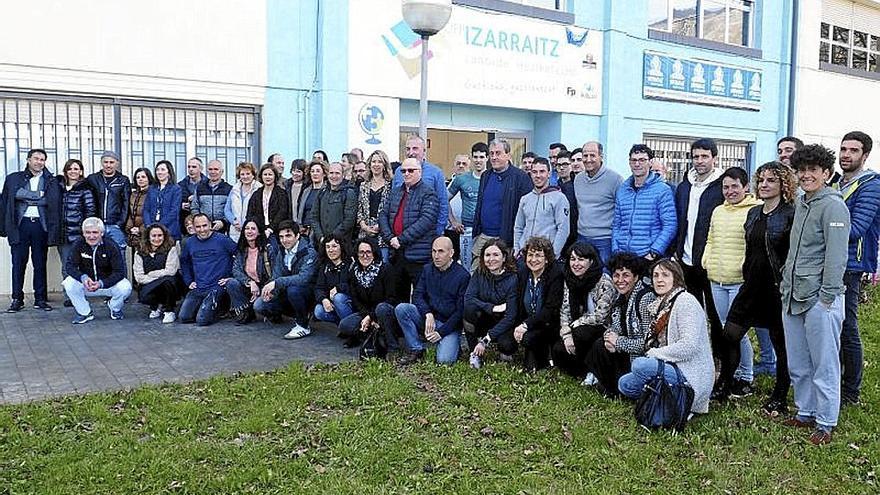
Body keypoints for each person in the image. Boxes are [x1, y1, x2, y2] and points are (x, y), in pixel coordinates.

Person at [780, 144, 850, 445]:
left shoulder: (833, 206)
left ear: (826, 173)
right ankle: (805, 411)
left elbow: (837, 258)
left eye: (813, 170)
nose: (807, 175)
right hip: (793, 295)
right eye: (802, 170)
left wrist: (827, 298)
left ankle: (825, 421)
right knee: (798, 361)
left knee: (824, 362)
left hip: (821, 299)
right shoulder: (802, 203)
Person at [723, 161, 797, 416]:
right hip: (751, 285)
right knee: (730, 333)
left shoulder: (791, 213)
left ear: (783, 184)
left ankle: (780, 395)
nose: (764, 185)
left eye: (771, 181)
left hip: (776, 289)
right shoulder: (754, 213)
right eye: (762, 180)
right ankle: (725, 383)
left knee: (781, 344)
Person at [617, 259, 715, 416]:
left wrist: (656, 354)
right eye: (655, 275)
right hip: (671, 366)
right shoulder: (661, 305)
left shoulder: (685, 301)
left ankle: (680, 400)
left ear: (676, 278)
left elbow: (688, 346)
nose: (659, 280)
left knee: (639, 365)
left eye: (665, 275)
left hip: (690, 374)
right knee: (625, 384)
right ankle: (664, 397)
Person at [701, 167, 761, 399]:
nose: (730, 191)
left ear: (745, 187)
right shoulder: (718, 211)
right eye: (726, 187)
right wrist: (707, 260)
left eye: (735, 186)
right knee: (725, 328)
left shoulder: (754, 210)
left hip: (738, 280)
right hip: (717, 278)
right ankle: (731, 372)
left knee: (738, 331)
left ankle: (746, 375)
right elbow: (710, 238)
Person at [673, 138, 725, 379]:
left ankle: (720, 361)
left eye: (705, 156)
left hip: (711, 262)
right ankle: (695, 357)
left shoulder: (721, 186)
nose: (700, 161)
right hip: (686, 259)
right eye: (696, 156)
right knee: (692, 313)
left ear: (715, 158)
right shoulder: (685, 186)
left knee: (716, 316)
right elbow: (679, 221)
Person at [834, 131, 879, 406]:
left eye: (853, 150)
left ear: (865, 155)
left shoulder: (871, 185)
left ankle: (851, 390)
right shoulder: (838, 182)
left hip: (852, 262)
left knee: (847, 325)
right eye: (843, 149)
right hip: (833, 260)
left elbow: (857, 227)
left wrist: (821, 228)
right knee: (835, 324)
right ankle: (837, 378)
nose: (846, 155)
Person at [582, 253, 655, 396]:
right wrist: (609, 337)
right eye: (616, 275)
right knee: (599, 344)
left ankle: (622, 389)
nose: (620, 280)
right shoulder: (621, 298)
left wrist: (619, 342)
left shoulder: (644, 298)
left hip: (642, 360)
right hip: (626, 352)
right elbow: (615, 326)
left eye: (626, 275)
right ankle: (611, 386)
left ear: (636, 277)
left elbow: (648, 343)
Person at [0, 148, 62, 312]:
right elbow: (7, 200)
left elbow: (51, 201)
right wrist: (37, 196)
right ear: (28, 160)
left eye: (42, 159)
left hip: (40, 226)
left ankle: (40, 299)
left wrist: (25, 196)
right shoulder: (14, 178)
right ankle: (17, 299)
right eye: (36, 158)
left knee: (40, 264)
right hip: (20, 225)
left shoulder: (51, 180)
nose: (39, 162)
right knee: (18, 264)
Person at [394, 236, 471, 365]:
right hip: (429, 319)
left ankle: (450, 346)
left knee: (444, 361)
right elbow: (417, 295)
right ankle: (416, 349)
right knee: (402, 309)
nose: (436, 256)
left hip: (449, 324)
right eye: (434, 251)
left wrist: (440, 333)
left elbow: (460, 312)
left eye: (441, 251)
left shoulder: (463, 276)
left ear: (451, 253)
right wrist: (427, 313)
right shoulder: (427, 269)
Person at [550, 242, 617, 380]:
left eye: (581, 259)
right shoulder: (570, 279)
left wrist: (576, 323)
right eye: (573, 259)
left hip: (602, 327)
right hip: (577, 326)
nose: (576, 264)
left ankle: (593, 370)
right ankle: (581, 371)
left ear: (591, 261)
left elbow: (601, 316)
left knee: (581, 334)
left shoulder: (604, 281)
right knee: (558, 348)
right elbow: (565, 309)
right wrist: (566, 332)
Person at [379, 158, 439, 302]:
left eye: (411, 170)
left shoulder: (428, 193)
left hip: (418, 255)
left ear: (420, 172)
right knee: (398, 297)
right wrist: (390, 238)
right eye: (403, 171)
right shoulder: (395, 192)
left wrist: (401, 239)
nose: (406, 173)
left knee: (421, 298)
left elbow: (426, 221)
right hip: (397, 253)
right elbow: (383, 215)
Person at [471, 139, 532, 270]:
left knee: (503, 277)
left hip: (506, 240)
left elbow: (527, 213)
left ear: (508, 155)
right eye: (491, 153)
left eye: (498, 153)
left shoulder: (520, 177)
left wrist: (518, 242)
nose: (493, 157)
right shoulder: (486, 175)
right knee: (475, 274)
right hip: (483, 237)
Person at [254, 220, 318, 339]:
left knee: (293, 290)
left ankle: (303, 325)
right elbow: (276, 275)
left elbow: (303, 278)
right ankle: (289, 315)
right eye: (281, 237)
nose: (284, 240)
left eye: (288, 235)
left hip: (308, 295)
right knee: (260, 305)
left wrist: (276, 283)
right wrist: (272, 292)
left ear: (297, 236)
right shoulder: (282, 252)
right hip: (288, 293)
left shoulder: (309, 252)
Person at [62, 217, 132, 323]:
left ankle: (115, 308)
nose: (91, 236)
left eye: (95, 232)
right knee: (68, 283)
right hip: (87, 284)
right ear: (83, 233)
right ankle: (85, 313)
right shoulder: (78, 244)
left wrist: (101, 283)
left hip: (107, 284)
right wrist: (83, 278)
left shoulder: (111, 245)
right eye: (88, 232)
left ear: (102, 233)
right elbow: (70, 266)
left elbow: (119, 272)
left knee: (125, 287)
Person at [612, 145, 677, 258]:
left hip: (647, 255)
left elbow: (669, 225)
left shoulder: (662, 190)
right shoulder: (623, 190)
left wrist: (654, 251)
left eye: (642, 160)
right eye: (634, 160)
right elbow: (617, 224)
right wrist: (615, 248)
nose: (637, 164)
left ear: (650, 162)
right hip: (624, 255)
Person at [464, 238, 519, 369]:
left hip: (504, 322)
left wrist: (486, 340)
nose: (491, 259)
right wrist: (492, 308)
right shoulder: (479, 273)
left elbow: (511, 317)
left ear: (504, 257)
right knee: (468, 311)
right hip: (486, 317)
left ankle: (503, 352)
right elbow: (468, 298)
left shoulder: (513, 279)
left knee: (506, 345)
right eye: (487, 255)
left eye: (496, 255)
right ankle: (474, 353)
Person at [512, 236, 563, 371]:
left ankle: (546, 353)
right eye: (530, 255)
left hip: (548, 324)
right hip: (528, 321)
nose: (533, 260)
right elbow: (519, 302)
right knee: (508, 342)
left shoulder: (555, 275)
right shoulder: (523, 272)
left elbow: (550, 309)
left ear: (547, 259)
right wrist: (518, 324)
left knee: (528, 338)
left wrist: (525, 325)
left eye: (538, 255)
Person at [337, 237, 398, 350]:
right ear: (357, 254)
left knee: (382, 308)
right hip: (366, 314)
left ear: (374, 253)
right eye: (361, 252)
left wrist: (371, 316)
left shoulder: (385, 269)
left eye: (368, 252)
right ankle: (372, 333)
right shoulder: (354, 272)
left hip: (384, 313)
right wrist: (367, 316)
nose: (365, 255)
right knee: (344, 325)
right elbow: (356, 300)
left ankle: (392, 347)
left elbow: (391, 298)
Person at [178, 213, 238, 326]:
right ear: (194, 228)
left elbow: (240, 255)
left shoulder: (223, 240)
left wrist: (232, 277)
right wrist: (189, 281)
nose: (202, 229)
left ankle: (220, 308)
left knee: (202, 320)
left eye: (205, 225)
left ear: (210, 224)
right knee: (183, 317)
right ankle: (204, 306)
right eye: (198, 227)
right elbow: (184, 262)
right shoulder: (189, 242)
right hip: (198, 287)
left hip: (216, 287)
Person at [573, 141, 623, 265]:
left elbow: (622, 211)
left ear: (601, 157)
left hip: (605, 240)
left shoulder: (615, 179)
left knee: (604, 276)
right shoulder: (578, 179)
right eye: (585, 156)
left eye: (592, 155)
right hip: (582, 237)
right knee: (582, 276)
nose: (588, 159)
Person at [57, 158, 97, 307]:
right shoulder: (59, 187)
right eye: (70, 169)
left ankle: (82, 293)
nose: (73, 171)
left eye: (76, 169)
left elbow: (90, 212)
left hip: (79, 235)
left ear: (81, 171)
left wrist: (86, 233)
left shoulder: (85, 189)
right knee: (66, 266)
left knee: (82, 265)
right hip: (62, 234)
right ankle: (69, 295)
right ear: (65, 171)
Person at [513, 157, 569, 258]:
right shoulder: (525, 199)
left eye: (542, 171)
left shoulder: (559, 198)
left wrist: (553, 254)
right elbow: (518, 227)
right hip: (525, 255)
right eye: (534, 172)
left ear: (549, 174)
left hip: (546, 256)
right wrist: (517, 248)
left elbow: (563, 229)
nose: (538, 175)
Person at [392, 134, 449, 235]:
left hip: (427, 233)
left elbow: (443, 203)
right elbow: (393, 202)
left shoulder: (436, 173)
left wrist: (439, 230)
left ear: (424, 151)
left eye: (415, 149)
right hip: (400, 234)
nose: (411, 152)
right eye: (408, 149)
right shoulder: (398, 172)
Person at [226, 219, 278, 325]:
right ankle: (247, 313)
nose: (249, 231)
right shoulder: (242, 249)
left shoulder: (268, 250)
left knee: (258, 306)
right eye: (247, 228)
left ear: (259, 232)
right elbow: (236, 270)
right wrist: (250, 282)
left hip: (266, 287)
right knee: (231, 283)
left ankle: (273, 314)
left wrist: (264, 289)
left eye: (253, 229)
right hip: (250, 286)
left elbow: (275, 274)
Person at [447, 142, 486, 271]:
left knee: (485, 266)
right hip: (467, 230)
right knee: (467, 267)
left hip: (487, 230)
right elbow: (444, 200)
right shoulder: (461, 179)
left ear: (487, 158)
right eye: (475, 157)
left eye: (481, 157)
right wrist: (453, 222)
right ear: (472, 158)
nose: (478, 160)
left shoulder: (493, 177)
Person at [133, 223, 180, 324]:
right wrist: (158, 277)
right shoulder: (139, 252)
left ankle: (169, 310)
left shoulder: (171, 249)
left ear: (164, 236)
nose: (157, 239)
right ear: (148, 237)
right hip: (149, 285)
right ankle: (156, 306)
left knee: (168, 281)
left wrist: (151, 274)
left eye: (160, 235)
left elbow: (171, 271)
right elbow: (139, 277)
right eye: (153, 236)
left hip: (168, 284)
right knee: (145, 295)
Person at [87, 150, 131, 254]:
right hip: (97, 226)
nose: (108, 165)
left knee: (119, 256)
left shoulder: (123, 180)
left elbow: (126, 203)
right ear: (102, 163)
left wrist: (120, 223)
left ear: (117, 163)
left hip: (116, 226)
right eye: (106, 162)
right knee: (97, 257)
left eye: (111, 162)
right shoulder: (93, 179)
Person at [357, 150, 392, 261]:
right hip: (365, 234)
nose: (376, 165)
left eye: (379, 162)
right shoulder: (363, 185)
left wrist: (380, 225)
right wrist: (364, 226)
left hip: (383, 235)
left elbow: (392, 210)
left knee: (383, 267)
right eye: (373, 162)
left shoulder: (391, 185)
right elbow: (359, 209)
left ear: (384, 165)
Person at [310, 162, 357, 245]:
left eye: (337, 173)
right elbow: (314, 217)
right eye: (331, 173)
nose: (334, 176)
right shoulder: (322, 192)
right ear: (327, 175)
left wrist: (332, 238)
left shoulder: (349, 193)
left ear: (343, 175)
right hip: (321, 242)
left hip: (341, 243)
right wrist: (320, 237)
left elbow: (349, 220)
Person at [313, 234, 354, 324]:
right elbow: (319, 288)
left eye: (334, 246)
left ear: (341, 247)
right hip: (334, 303)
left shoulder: (351, 264)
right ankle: (342, 325)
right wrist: (323, 299)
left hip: (351, 302)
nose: (330, 250)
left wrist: (339, 288)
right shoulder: (325, 266)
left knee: (338, 297)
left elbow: (355, 286)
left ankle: (351, 328)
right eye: (327, 247)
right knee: (318, 311)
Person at [246, 163, 290, 238]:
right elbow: (250, 214)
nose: (267, 177)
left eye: (270, 174)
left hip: (277, 231)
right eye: (265, 174)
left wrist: (271, 229)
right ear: (261, 176)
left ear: (275, 176)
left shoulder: (281, 193)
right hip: (259, 232)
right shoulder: (256, 194)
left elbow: (283, 212)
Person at [142, 160, 183, 241]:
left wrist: (159, 226)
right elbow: (146, 209)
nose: (159, 172)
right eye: (157, 170)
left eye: (162, 169)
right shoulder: (151, 188)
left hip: (169, 230)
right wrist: (149, 225)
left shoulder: (176, 189)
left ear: (169, 172)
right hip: (152, 230)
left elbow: (174, 211)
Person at [192, 160, 232, 233]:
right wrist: (201, 222)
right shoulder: (200, 188)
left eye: (216, 169)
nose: (213, 172)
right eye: (210, 169)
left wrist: (223, 222)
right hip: (203, 230)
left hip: (223, 230)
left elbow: (232, 210)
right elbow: (194, 207)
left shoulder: (229, 189)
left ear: (222, 171)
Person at [225, 162, 261, 243]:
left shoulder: (259, 188)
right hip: (235, 231)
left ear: (253, 174)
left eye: (248, 173)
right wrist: (233, 221)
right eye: (242, 174)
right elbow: (227, 209)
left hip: (252, 231)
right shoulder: (234, 189)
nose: (245, 177)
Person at [126, 167, 154, 249]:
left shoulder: (153, 194)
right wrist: (130, 228)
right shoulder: (133, 194)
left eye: (143, 177)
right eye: (138, 177)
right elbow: (131, 213)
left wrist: (140, 229)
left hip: (146, 232)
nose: (140, 179)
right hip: (133, 234)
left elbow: (151, 214)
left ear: (149, 178)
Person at [299, 160, 327, 238]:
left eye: (318, 171)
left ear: (324, 174)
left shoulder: (327, 190)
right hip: (305, 230)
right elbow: (302, 210)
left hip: (319, 230)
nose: (315, 173)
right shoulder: (306, 191)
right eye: (312, 171)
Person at [178, 157, 206, 235]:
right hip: (185, 224)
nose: (191, 169)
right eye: (189, 167)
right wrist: (180, 205)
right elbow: (173, 202)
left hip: (202, 223)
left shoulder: (207, 184)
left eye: (194, 167)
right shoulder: (180, 185)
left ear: (201, 169)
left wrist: (196, 198)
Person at [284, 159, 308, 224]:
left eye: (298, 171)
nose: (295, 173)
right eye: (293, 170)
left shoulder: (308, 187)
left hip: (303, 224)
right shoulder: (286, 185)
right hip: (290, 222)